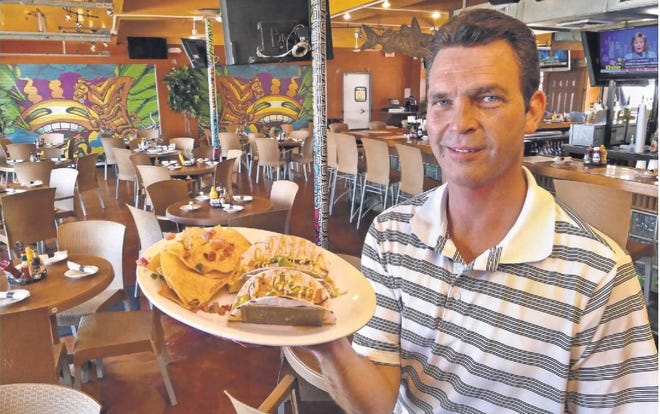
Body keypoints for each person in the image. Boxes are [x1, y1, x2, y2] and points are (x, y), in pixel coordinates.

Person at [306, 9, 658, 413]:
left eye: (487, 98)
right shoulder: (391, 235)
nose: (460, 122)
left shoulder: (600, 277)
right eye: (442, 101)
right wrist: (327, 347)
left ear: (532, 111)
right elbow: (379, 401)